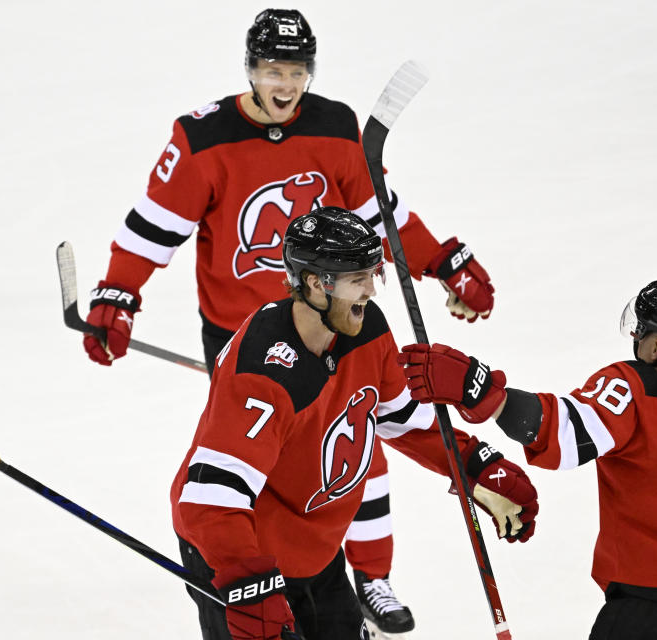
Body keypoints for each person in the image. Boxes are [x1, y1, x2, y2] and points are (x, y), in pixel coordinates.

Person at [82, 8, 497, 634]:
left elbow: (375, 215)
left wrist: (443, 260)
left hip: (334, 322)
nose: (286, 84)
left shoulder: (335, 128)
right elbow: (155, 225)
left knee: (353, 445)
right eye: (273, 69)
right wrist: (118, 292)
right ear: (250, 69)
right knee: (267, 465)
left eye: (297, 71)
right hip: (244, 339)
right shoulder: (203, 139)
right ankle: (256, 572)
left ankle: (368, 577)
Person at [398, 172, 657, 640]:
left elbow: (562, 432)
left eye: (642, 330)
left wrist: (481, 391)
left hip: (654, 610)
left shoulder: (635, 392)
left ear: (654, 348)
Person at [170, 207, 538, 640]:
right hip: (240, 555)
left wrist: (473, 464)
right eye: (356, 278)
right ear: (314, 283)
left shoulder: (365, 330)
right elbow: (212, 497)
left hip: (316, 552)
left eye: (373, 273)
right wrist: (246, 582)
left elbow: (402, 419)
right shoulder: (263, 370)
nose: (370, 290)